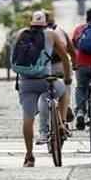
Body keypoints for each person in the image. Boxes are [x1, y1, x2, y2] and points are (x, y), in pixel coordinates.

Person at [12, 11, 73, 167]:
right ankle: (62, 122)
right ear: (46, 23)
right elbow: (65, 57)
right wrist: (67, 77)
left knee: (28, 118)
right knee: (64, 91)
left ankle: (29, 157)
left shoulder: (20, 34)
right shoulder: (51, 35)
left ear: (30, 22)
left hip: (26, 82)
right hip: (47, 80)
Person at [37, 10, 76, 145]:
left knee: (43, 96)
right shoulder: (59, 31)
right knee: (66, 88)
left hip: (42, 70)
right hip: (60, 66)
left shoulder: (34, 34)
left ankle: (43, 131)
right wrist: (72, 69)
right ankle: (64, 121)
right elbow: (70, 51)